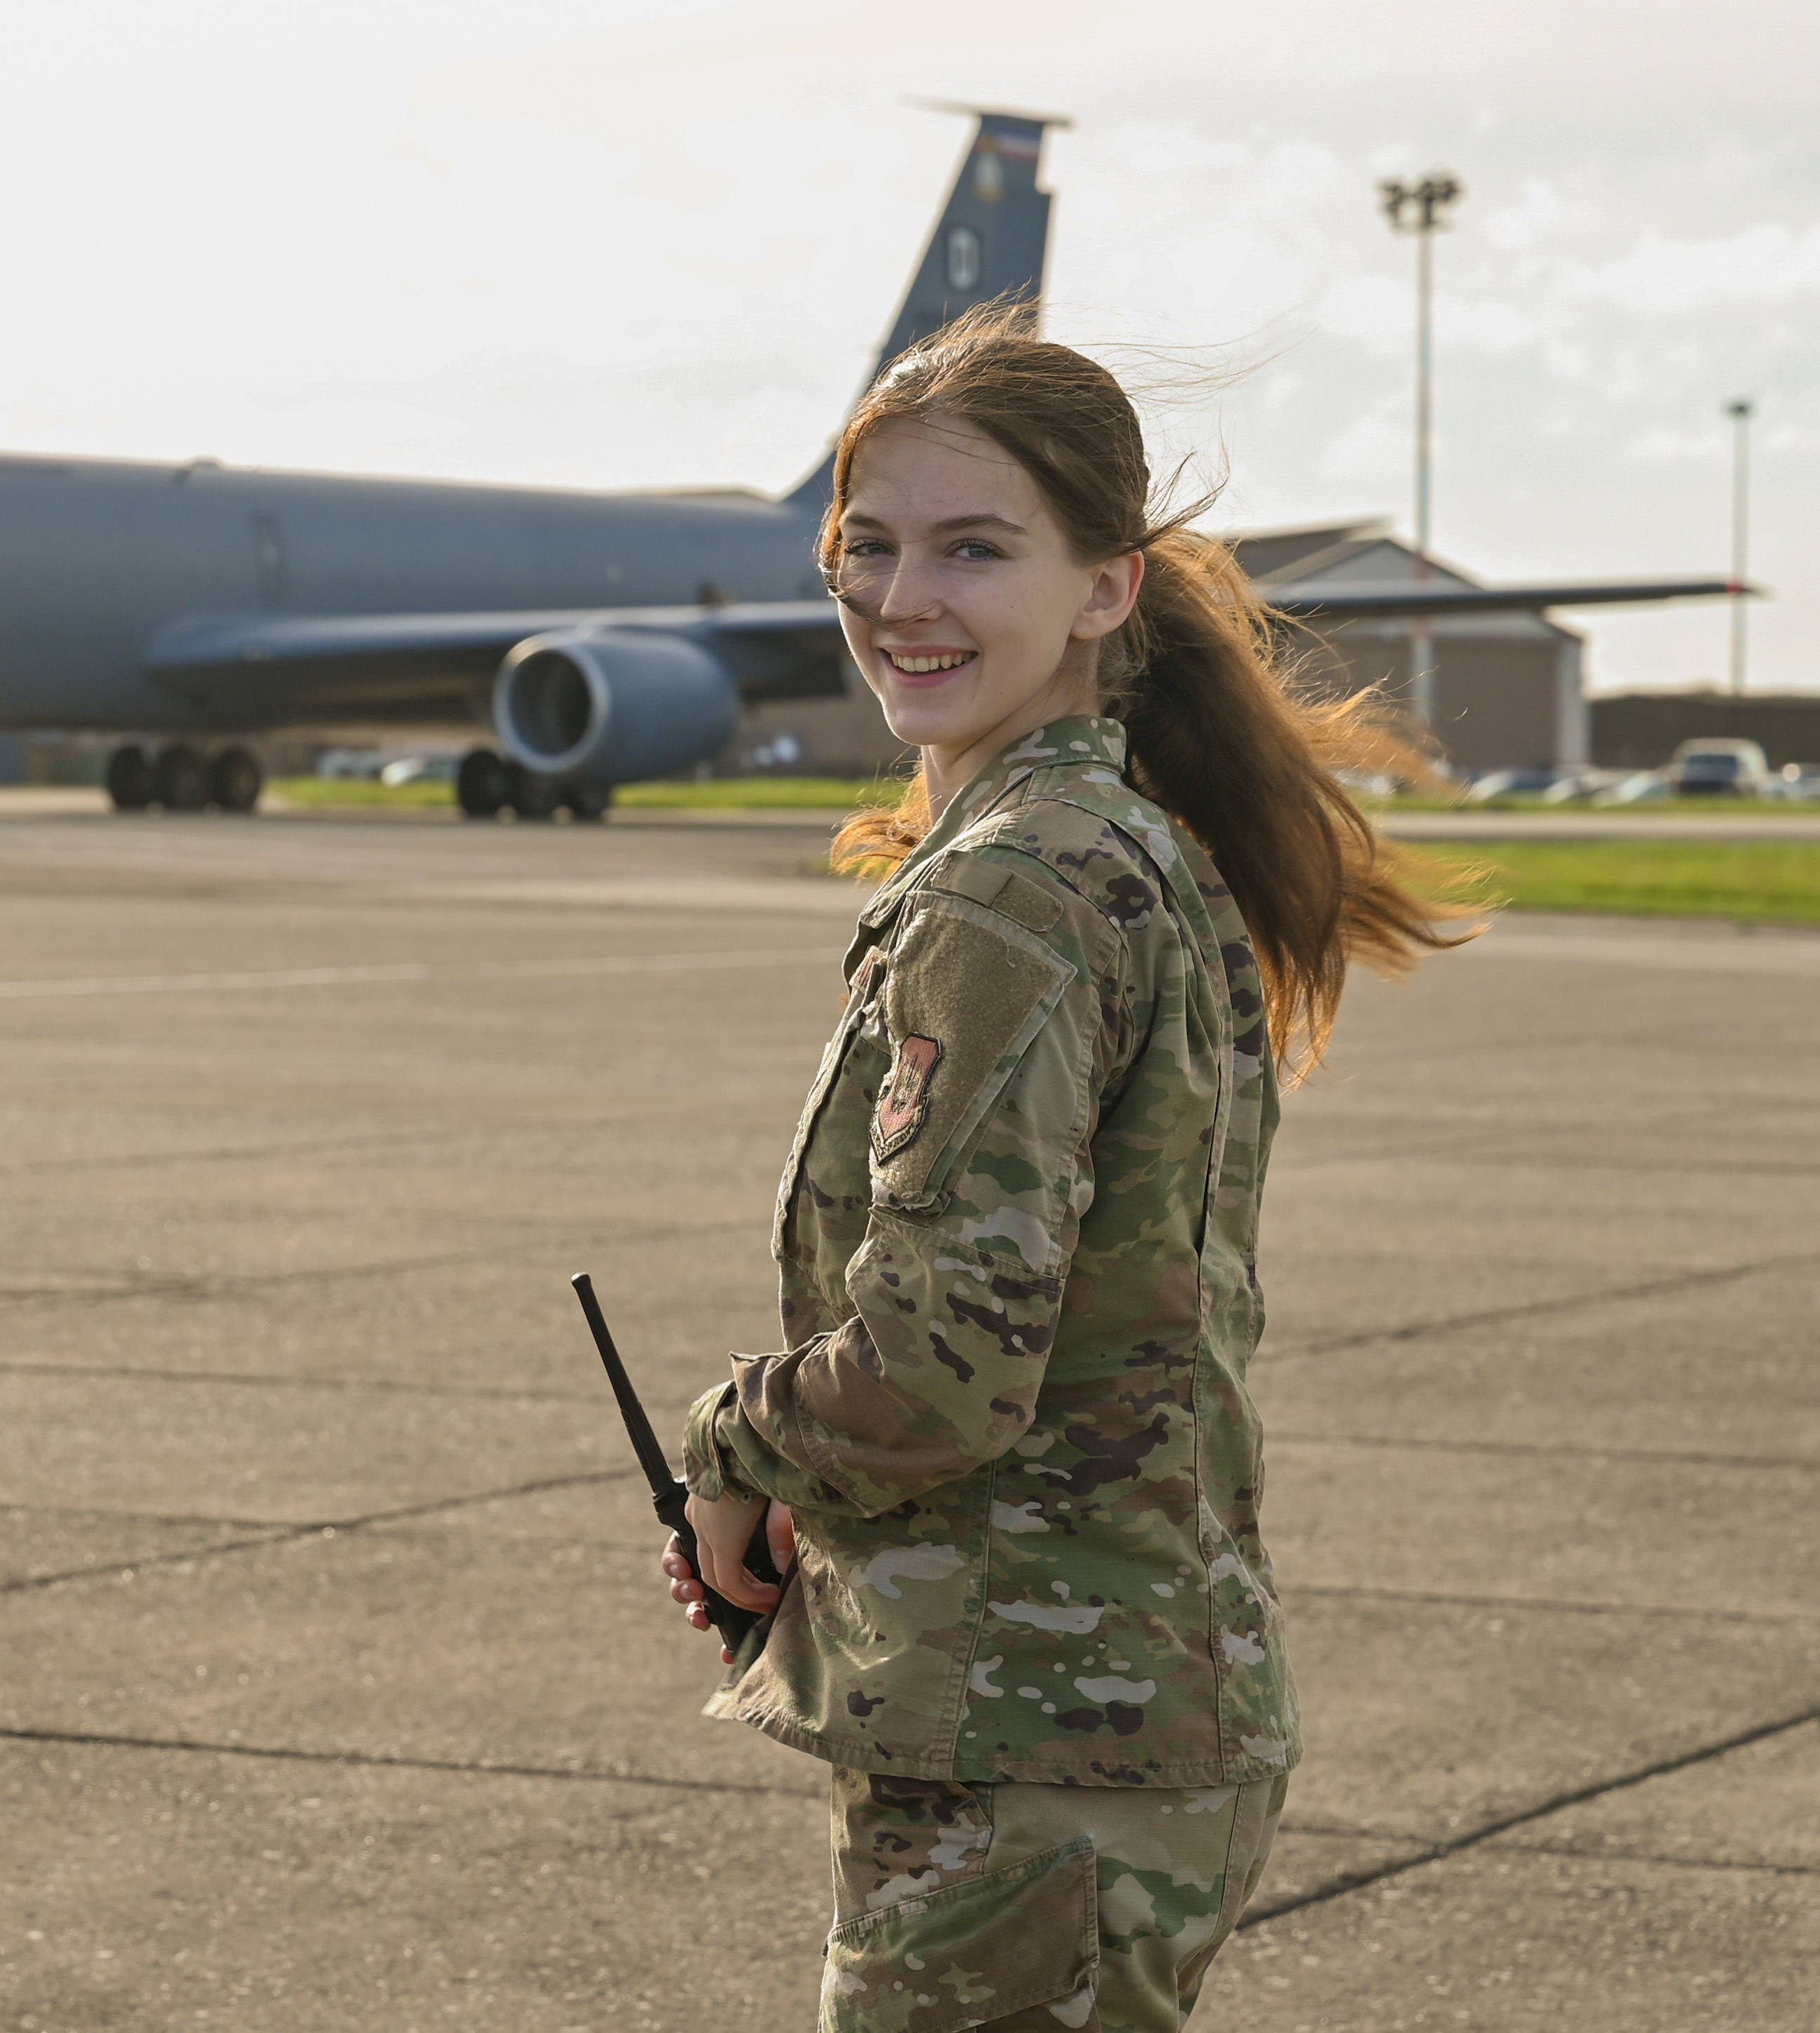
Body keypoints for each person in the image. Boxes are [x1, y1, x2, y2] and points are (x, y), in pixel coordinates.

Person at [659, 305, 1464, 2033]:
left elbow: (942, 1374)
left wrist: (730, 1441)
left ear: (1106, 588)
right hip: (1098, 1716)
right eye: (865, 548)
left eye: (974, 549)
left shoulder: (1014, 890)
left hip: (1037, 1751)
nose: (900, 597)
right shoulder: (1120, 849)